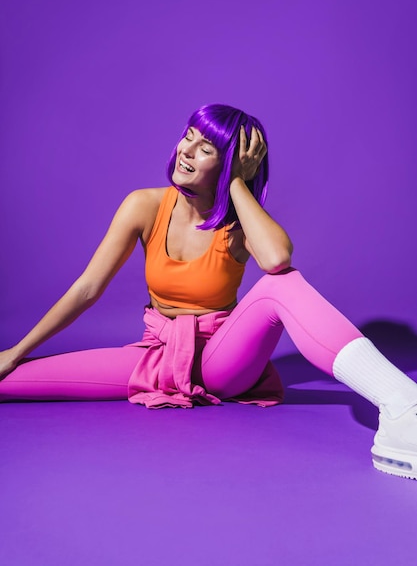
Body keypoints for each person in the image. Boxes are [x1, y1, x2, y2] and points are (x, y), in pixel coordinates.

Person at [1, 103, 416, 480]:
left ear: (231, 164)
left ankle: (402, 402)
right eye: (188, 137)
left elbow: (276, 260)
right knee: (14, 377)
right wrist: (15, 351)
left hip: (225, 362)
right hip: (159, 357)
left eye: (206, 149)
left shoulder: (238, 225)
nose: (186, 150)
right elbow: (87, 289)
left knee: (280, 285)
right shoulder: (143, 205)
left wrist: (237, 183)